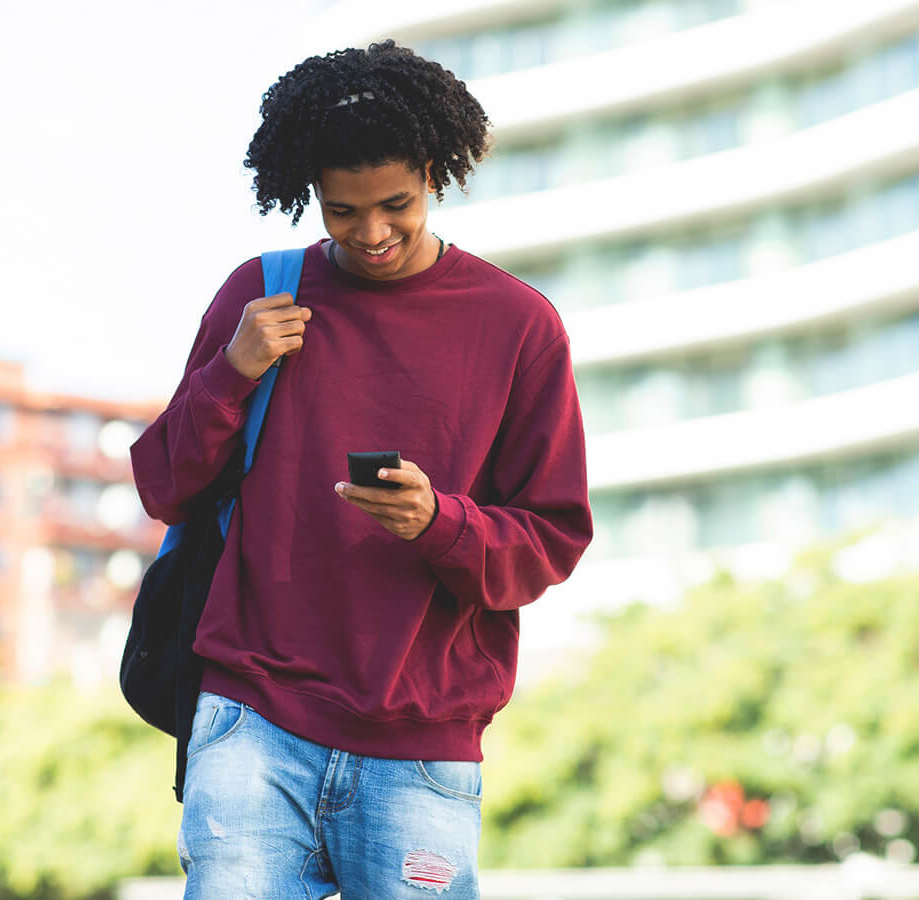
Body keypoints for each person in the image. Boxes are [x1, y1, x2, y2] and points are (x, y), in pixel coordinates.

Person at [130, 40, 592, 899]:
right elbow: (166, 487)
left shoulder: (519, 325)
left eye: (396, 204)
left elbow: (552, 537)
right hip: (252, 716)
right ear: (311, 194)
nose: (372, 234)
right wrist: (234, 372)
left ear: (432, 172)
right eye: (343, 212)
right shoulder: (259, 296)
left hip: (422, 736)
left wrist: (440, 523)